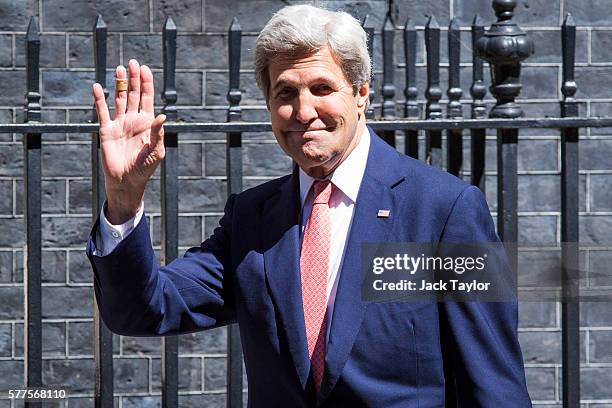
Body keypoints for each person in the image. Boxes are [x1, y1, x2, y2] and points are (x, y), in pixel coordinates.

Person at [87, 5, 532, 407]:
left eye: (322, 87)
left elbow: (493, 384)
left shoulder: (446, 209)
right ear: (268, 103)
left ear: (360, 93)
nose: (303, 111)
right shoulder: (252, 218)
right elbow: (142, 311)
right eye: (285, 93)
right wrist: (124, 199)